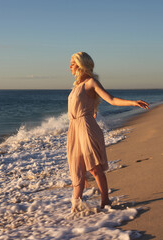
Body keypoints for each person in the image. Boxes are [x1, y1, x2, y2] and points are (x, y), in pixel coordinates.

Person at [67, 52, 149, 212]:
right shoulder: (76, 86)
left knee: (94, 168)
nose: (70, 66)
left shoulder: (91, 82)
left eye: (72, 63)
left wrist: (133, 102)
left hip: (86, 128)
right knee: (77, 171)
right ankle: (74, 209)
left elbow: (111, 99)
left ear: (81, 65)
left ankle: (105, 201)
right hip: (74, 130)